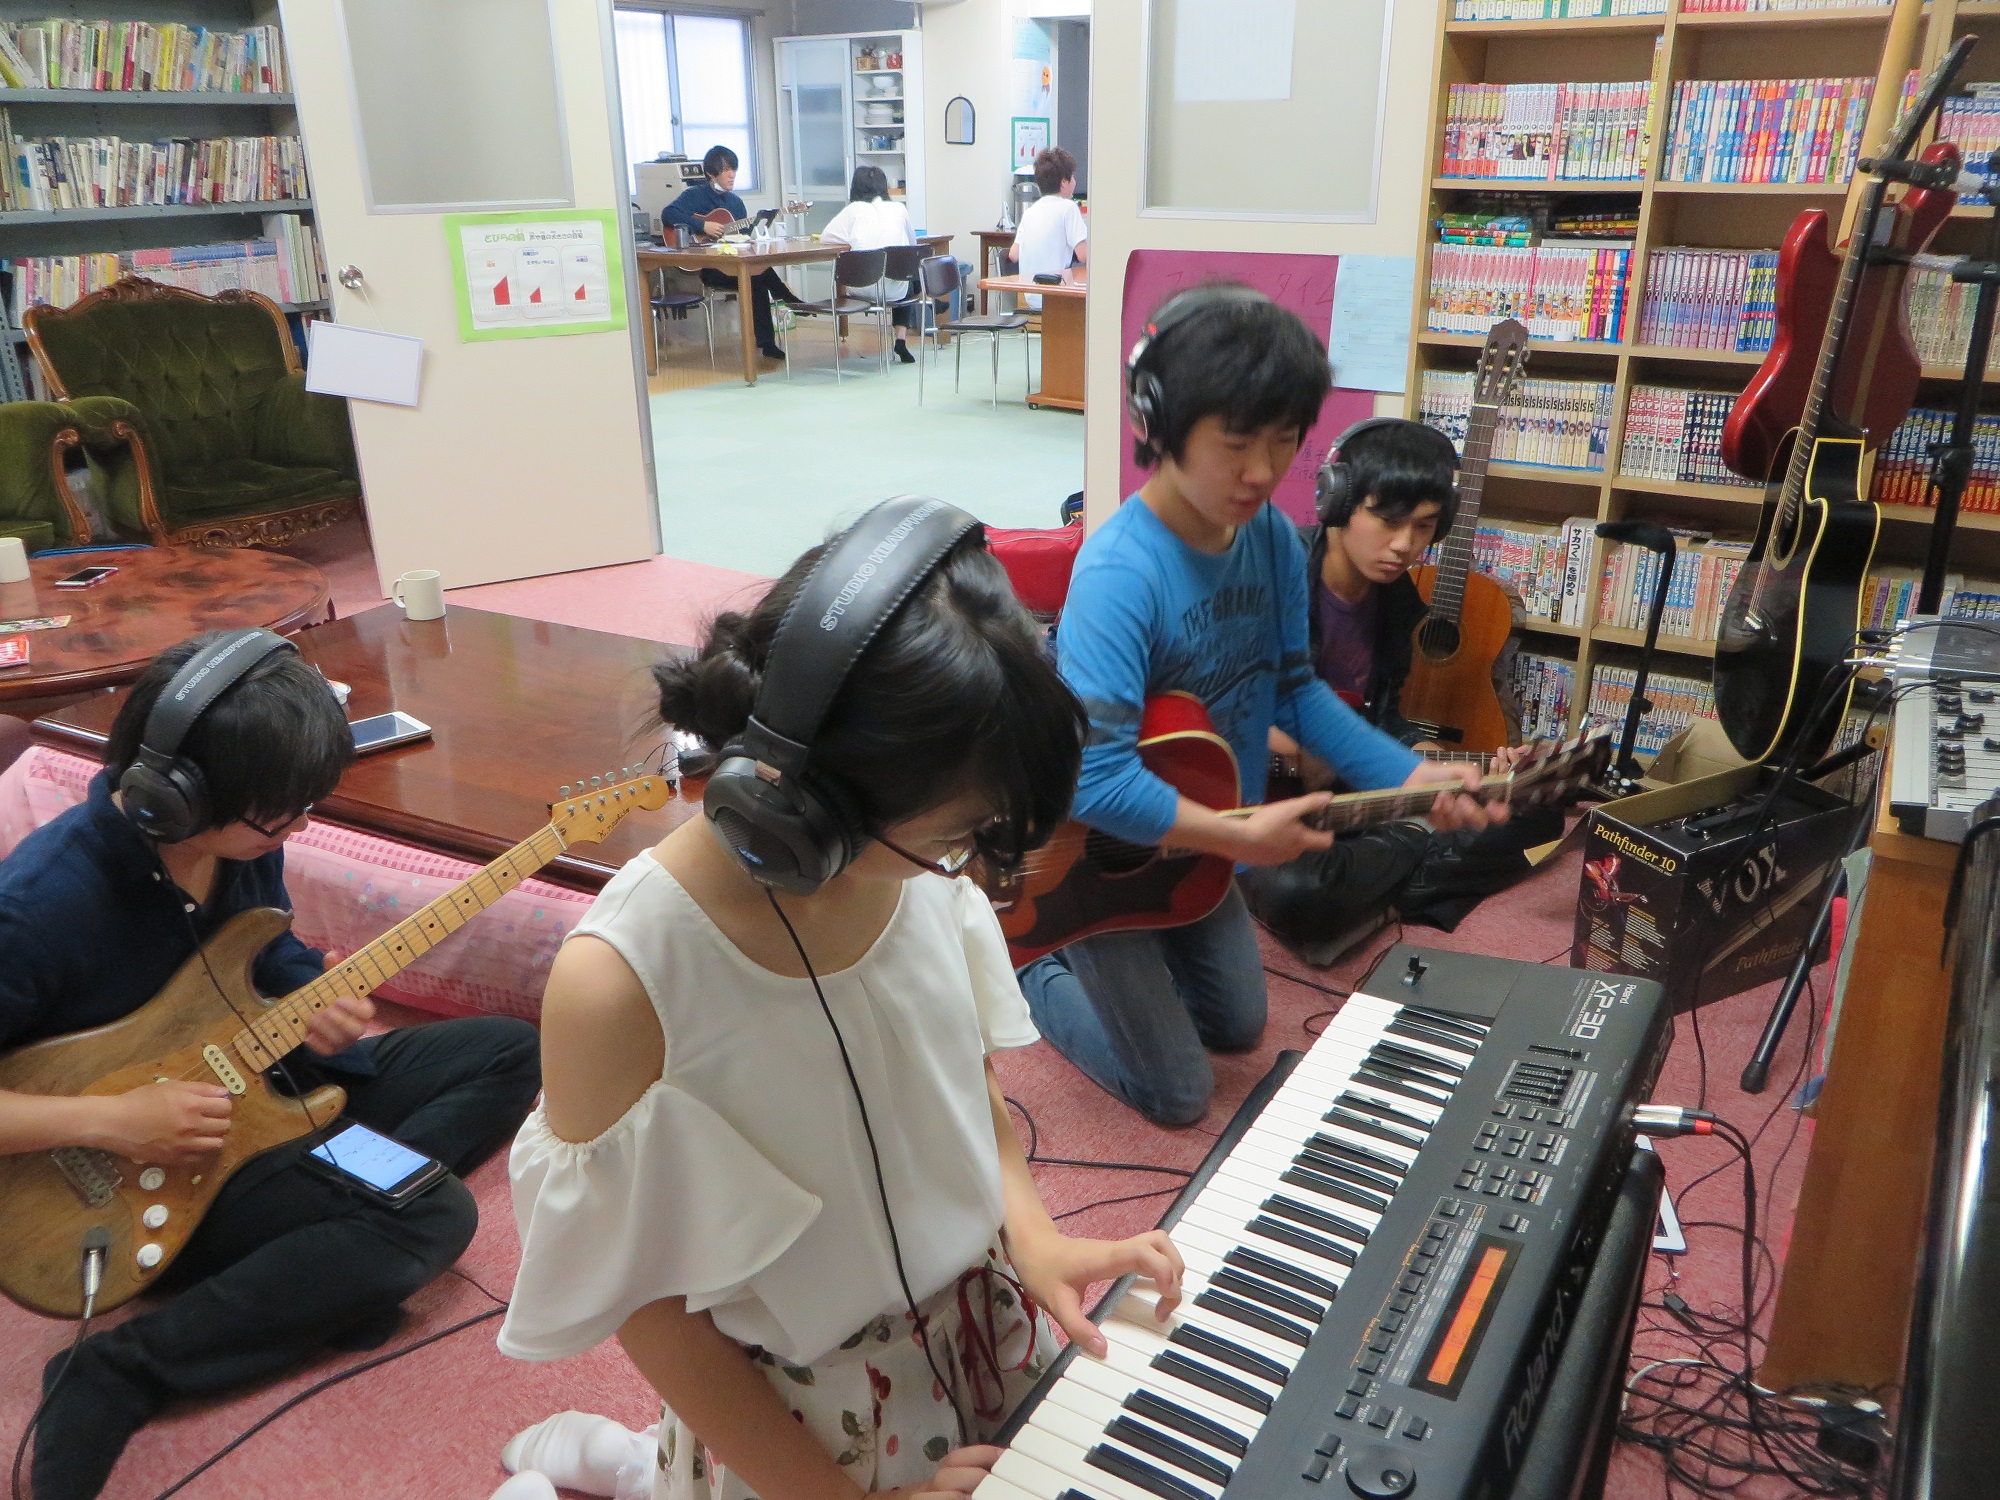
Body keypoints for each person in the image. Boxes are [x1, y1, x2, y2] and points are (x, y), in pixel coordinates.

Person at [499, 501, 1185, 1500]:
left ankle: (620, 1460)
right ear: (805, 806)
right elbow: (646, 1308)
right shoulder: (620, 982)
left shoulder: (916, 867)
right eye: (954, 834)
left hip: (982, 1326)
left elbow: (966, 1087)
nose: (966, 864)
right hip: (800, 1429)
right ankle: (615, 1465)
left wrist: (1033, 1236)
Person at [0, 629, 541, 1500]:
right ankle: (123, 1368)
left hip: (267, 1089)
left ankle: (326, 1243)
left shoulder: (243, 841)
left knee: (512, 1051)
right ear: (178, 795)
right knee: (431, 1216)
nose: (296, 828)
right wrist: (115, 1120)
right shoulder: (38, 906)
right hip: (145, 1173)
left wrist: (311, 998)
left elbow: (267, 954)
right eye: (279, 815)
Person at [1013, 287, 1506, 1128]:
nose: (1262, 471)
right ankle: (1038, 966)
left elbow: (1294, 690)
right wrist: (1238, 836)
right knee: (1178, 1096)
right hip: (1089, 864)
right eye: (1236, 441)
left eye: (1283, 441)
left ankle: (1144, 958)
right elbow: (1093, 780)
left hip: (1202, 841)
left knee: (1239, 1028)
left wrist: (1409, 775)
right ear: (1160, 424)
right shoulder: (1119, 574)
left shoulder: (1274, 540)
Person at [1241, 418, 1564, 962]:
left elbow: (1381, 716)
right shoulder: (1275, 574)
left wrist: (1423, 752)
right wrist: (1293, 744)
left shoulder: (1397, 603)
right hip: (1259, 801)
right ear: (1337, 501)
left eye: (1424, 527)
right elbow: (1214, 700)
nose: (1405, 545)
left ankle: (1392, 876)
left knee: (1536, 809)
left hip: (1349, 794)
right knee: (1297, 891)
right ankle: (1416, 859)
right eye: (1388, 521)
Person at [662, 144, 801, 363]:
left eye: (734, 169)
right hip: (709, 268)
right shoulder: (694, 195)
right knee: (758, 276)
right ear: (711, 172)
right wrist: (702, 226)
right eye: (726, 169)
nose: (732, 174)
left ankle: (767, 342)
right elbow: (668, 214)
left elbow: (743, 239)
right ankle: (787, 301)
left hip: (734, 265)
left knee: (757, 276)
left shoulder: (735, 203)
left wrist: (753, 230)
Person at [821, 165, 923, 364]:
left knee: (902, 277)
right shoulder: (899, 209)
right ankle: (901, 338)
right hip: (894, 292)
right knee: (908, 276)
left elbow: (826, 237)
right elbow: (913, 244)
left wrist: (850, 240)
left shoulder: (853, 210)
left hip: (859, 287)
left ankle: (922, 296)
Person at [1004, 147, 1087, 311]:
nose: (1075, 182)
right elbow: (1084, 256)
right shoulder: (1068, 208)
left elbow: (1013, 254)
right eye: (1072, 177)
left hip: (1030, 297)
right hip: (1056, 296)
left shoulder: (1030, 211)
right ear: (1064, 182)